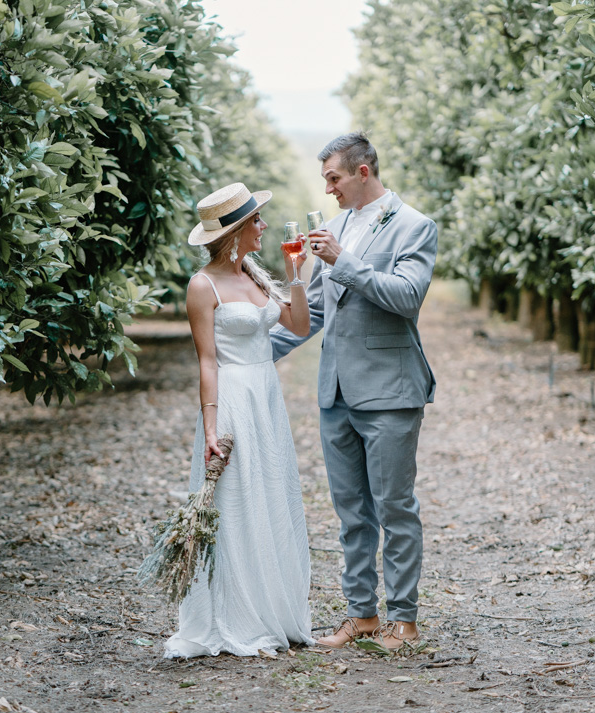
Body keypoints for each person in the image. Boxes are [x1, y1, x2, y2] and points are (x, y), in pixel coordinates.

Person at [270, 132, 438, 652]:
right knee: (351, 512)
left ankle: (404, 620)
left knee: (394, 508)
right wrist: (255, 355)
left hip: (390, 391)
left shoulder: (414, 225)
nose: (329, 189)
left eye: (334, 178)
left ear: (362, 172)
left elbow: (407, 297)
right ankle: (361, 615)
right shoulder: (336, 226)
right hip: (336, 393)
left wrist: (343, 260)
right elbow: (320, 308)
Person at [163, 182, 315, 658]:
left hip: (265, 397)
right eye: (257, 221)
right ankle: (234, 614)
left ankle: (273, 607)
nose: (264, 226)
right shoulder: (202, 286)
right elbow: (207, 362)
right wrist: (211, 428)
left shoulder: (255, 275)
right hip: (231, 398)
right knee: (236, 501)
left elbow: (299, 326)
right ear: (235, 232)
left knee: (268, 492)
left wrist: (295, 276)